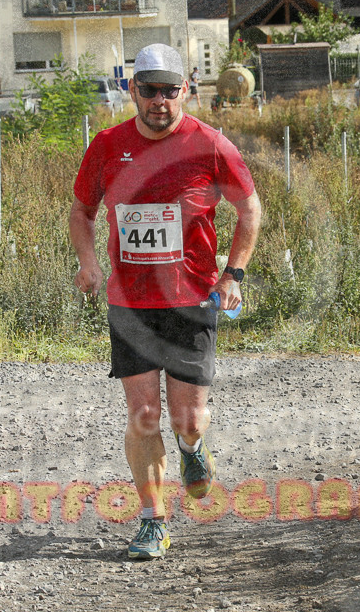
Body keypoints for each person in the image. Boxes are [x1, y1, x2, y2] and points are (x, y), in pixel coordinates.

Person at [69, 43, 261, 560]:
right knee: (142, 414)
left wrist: (234, 274)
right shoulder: (108, 144)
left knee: (188, 419)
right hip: (129, 303)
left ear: (186, 90)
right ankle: (153, 520)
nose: (159, 101)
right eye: (148, 90)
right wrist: (89, 263)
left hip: (192, 299)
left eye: (169, 91)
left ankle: (193, 450)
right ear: (133, 90)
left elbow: (249, 210)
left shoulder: (211, 144)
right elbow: (81, 211)